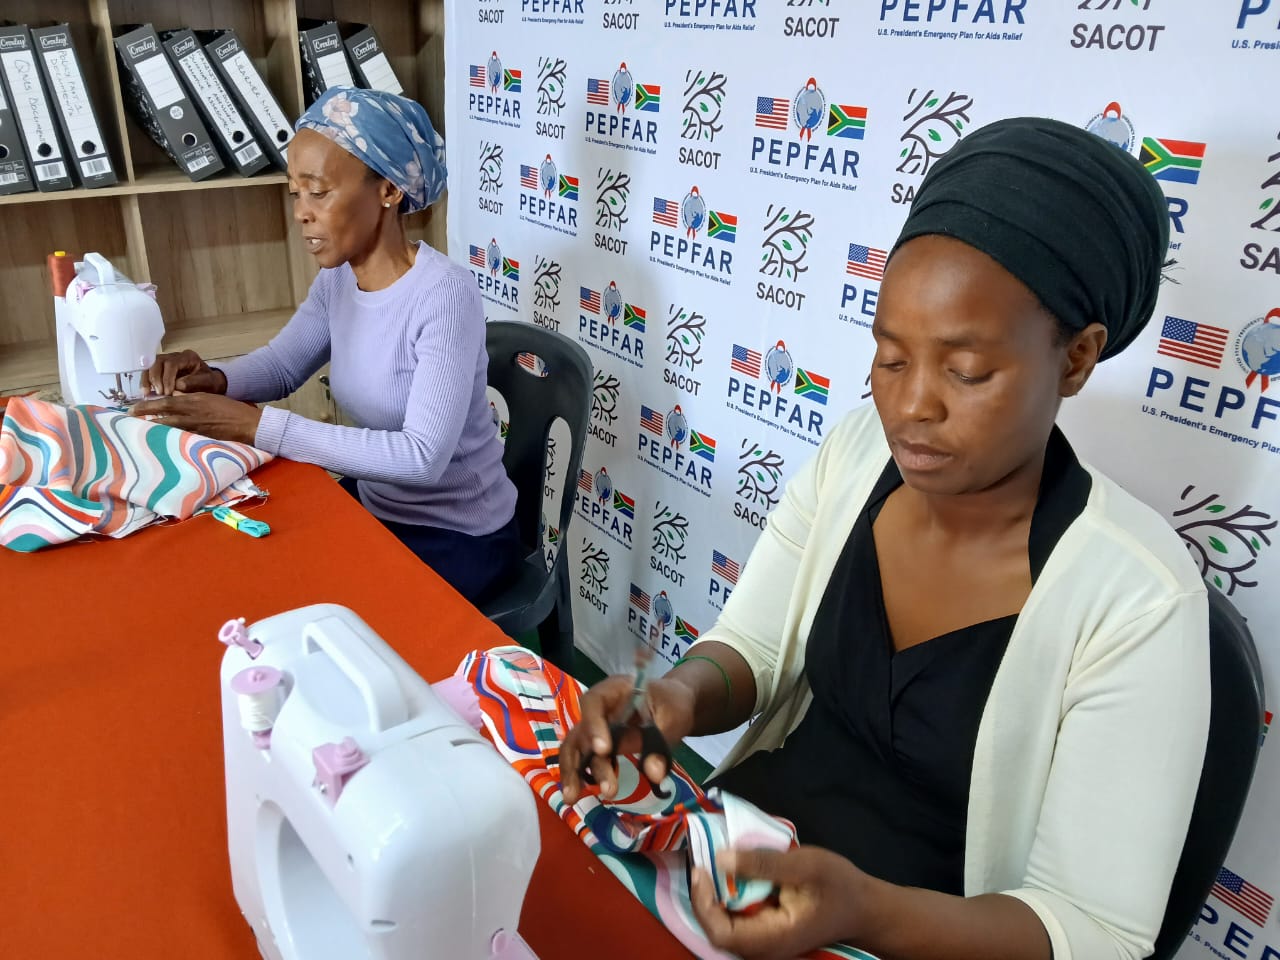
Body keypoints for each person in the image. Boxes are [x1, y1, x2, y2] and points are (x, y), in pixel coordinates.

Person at [560, 117, 1210, 960]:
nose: (910, 406)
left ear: (1078, 359)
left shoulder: (1139, 600)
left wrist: (865, 912)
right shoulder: (858, 454)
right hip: (745, 869)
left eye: (966, 371)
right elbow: (754, 647)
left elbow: (1096, 931)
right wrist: (678, 697)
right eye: (891, 358)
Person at [134, 87, 521, 604]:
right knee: (249, 570)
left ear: (388, 190)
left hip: (458, 535)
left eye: (318, 192)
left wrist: (257, 426)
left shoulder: (443, 294)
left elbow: (422, 458)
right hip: (377, 506)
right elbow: (283, 365)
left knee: (314, 611)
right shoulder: (339, 279)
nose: (301, 213)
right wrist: (215, 378)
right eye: (295, 193)